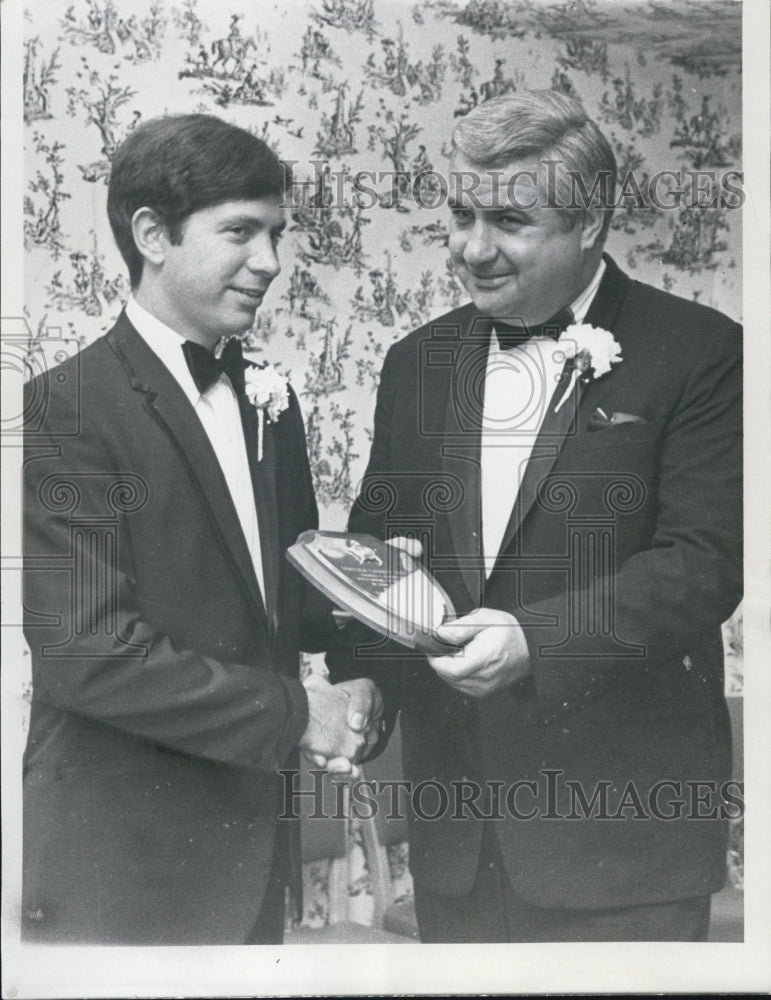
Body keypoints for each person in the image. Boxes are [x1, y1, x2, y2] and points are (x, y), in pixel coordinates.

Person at [327, 90, 742, 942]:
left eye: (509, 221)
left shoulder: (702, 352)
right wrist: (363, 673)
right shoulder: (416, 363)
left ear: (589, 224)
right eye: (459, 214)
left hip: (622, 844)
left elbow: (704, 563)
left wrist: (536, 641)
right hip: (458, 838)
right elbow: (378, 552)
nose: (472, 249)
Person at [21, 113, 381, 945]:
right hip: (120, 861)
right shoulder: (60, 412)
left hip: (253, 846)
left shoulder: (274, 404)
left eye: (277, 234)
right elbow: (90, 656)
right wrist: (300, 715)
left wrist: (396, 615)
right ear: (152, 233)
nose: (270, 263)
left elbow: (282, 601)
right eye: (240, 233)